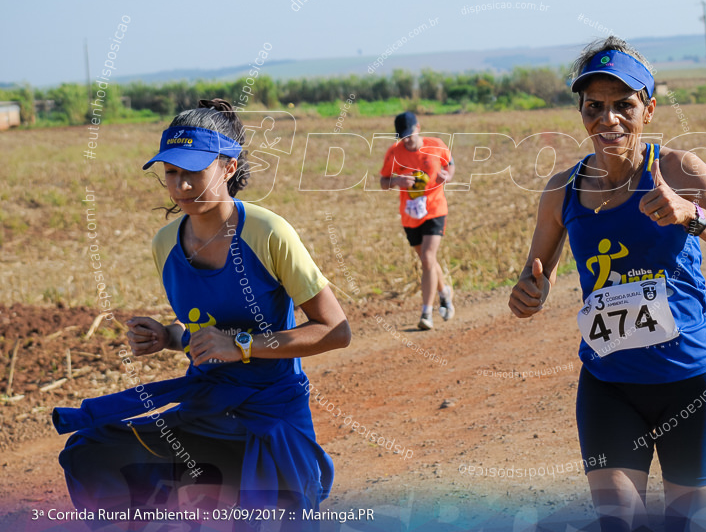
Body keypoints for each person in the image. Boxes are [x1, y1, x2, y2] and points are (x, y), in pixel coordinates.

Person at [507, 38, 706, 532]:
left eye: (623, 105)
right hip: (609, 385)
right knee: (619, 522)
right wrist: (528, 295)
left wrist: (692, 215)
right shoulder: (562, 190)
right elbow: (533, 277)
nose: (608, 120)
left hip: (692, 382)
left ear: (648, 108)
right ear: (581, 113)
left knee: (686, 524)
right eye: (594, 107)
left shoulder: (678, 169)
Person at [53, 99, 352, 522]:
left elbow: (336, 330)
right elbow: (200, 332)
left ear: (228, 167)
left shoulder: (269, 233)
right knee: (92, 453)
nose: (180, 186)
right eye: (171, 173)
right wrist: (166, 337)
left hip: (268, 421)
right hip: (204, 413)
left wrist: (242, 346)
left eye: (193, 171)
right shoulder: (165, 245)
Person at [379, 111, 455, 330]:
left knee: (428, 257)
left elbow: (449, 166)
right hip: (410, 214)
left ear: (418, 128)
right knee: (426, 260)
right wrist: (397, 180)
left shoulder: (436, 145)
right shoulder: (394, 153)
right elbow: (383, 182)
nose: (407, 140)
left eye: (410, 135)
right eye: (403, 136)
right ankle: (444, 292)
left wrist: (446, 177)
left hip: (435, 208)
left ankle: (426, 313)